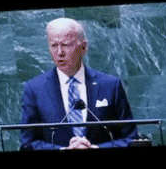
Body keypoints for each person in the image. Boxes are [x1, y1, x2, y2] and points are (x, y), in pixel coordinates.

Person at [19, 17, 138, 151]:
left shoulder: (110, 85)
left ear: (83, 47)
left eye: (66, 45)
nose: (59, 53)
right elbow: (27, 143)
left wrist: (96, 148)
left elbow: (131, 138)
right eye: (53, 45)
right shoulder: (34, 89)